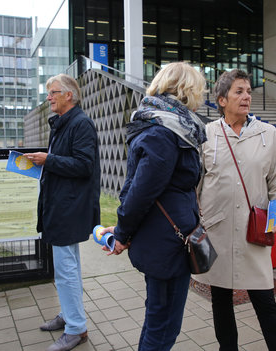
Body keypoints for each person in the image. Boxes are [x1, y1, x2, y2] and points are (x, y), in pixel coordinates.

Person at [100, 62, 207, 350]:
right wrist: (122, 233)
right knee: (163, 328)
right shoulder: (164, 130)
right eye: (198, 90)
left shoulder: (164, 125)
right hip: (167, 245)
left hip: (164, 239)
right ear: (186, 91)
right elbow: (140, 191)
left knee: (158, 320)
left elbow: (138, 187)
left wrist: (125, 230)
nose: (201, 97)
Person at [194, 69, 276, 350]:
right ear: (222, 99)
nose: (246, 96)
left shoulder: (268, 134)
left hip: (254, 232)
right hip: (218, 231)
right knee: (221, 301)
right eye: (239, 91)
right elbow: (195, 183)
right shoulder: (207, 135)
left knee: (266, 302)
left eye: (248, 91)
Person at [24, 74, 100, 351]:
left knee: (66, 270)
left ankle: (76, 329)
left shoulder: (80, 123)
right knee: (70, 267)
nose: (48, 97)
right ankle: (70, 316)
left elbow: (84, 166)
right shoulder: (66, 123)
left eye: (53, 92)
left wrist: (49, 159)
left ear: (69, 95)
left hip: (69, 207)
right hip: (63, 205)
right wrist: (46, 161)